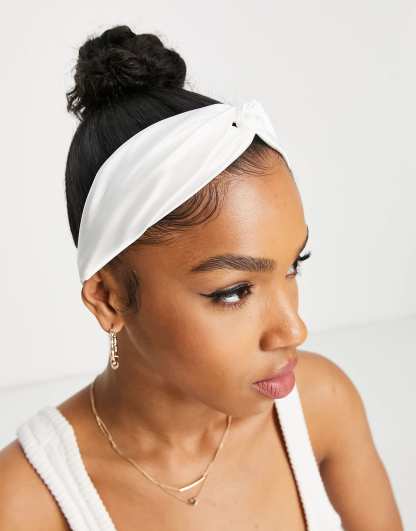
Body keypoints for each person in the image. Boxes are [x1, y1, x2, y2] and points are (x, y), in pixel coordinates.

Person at [0, 25, 403, 531]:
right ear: (108, 298)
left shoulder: (321, 404)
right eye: (234, 292)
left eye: (293, 266)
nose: (293, 329)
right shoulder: (26, 502)